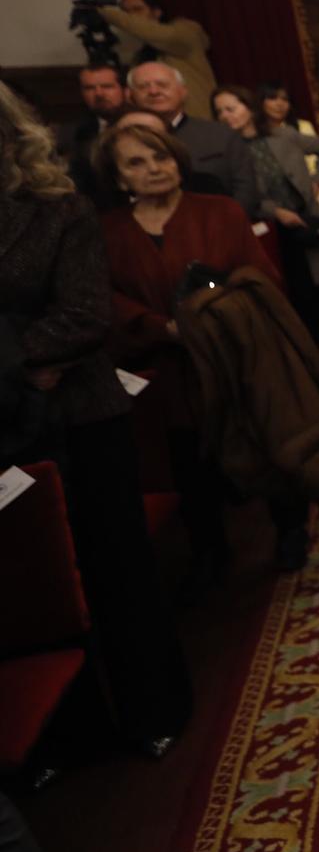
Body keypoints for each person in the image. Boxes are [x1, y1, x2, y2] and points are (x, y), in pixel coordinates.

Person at [1, 80, 192, 758]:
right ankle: (64, 736)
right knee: (27, 586)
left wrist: (13, 357)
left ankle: (153, 707)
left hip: (82, 414)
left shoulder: (59, 208)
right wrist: (18, 363)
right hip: (5, 427)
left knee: (115, 565)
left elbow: (85, 314)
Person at [93, 124, 302, 572]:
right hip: (165, 368)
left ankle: (289, 533)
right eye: (137, 162)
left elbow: (261, 278)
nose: (154, 169)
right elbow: (103, 297)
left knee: (265, 446)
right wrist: (159, 327)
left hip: (233, 357)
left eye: (161, 157)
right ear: (117, 179)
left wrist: (212, 316)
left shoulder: (220, 211)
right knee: (188, 464)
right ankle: (209, 550)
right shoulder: (106, 232)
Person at [211, 85, 319, 346]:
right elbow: (243, 194)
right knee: (290, 288)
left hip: (306, 218)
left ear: (248, 106)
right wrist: (276, 212)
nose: (226, 116)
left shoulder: (283, 135)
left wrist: (318, 181)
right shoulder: (227, 152)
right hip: (269, 227)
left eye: (231, 108)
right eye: (219, 112)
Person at [126, 59, 257, 214]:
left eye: (162, 85)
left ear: (183, 91)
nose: (154, 91)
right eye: (143, 87)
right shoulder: (124, 141)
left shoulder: (220, 134)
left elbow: (246, 190)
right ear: (131, 96)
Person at [101, 0, 217, 119]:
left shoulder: (186, 31)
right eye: (126, 12)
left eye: (137, 9)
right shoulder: (141, 54)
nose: (131, 16)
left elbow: (157, 34)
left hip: (197, 118)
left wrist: (105, 12)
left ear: (156, 12)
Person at [256, 80, 319, 246]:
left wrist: (317, 182)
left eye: (285, 99)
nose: (279, 104)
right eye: (273, 98)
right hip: (275, 210)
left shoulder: (295, 130)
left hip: (308, 202)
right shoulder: (254, 137)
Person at [66, 55, 128, 198]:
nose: (99, 94)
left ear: (125, 90)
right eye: (89, 88)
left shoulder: (140, 124)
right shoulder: (79, 131)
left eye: (107, 86)